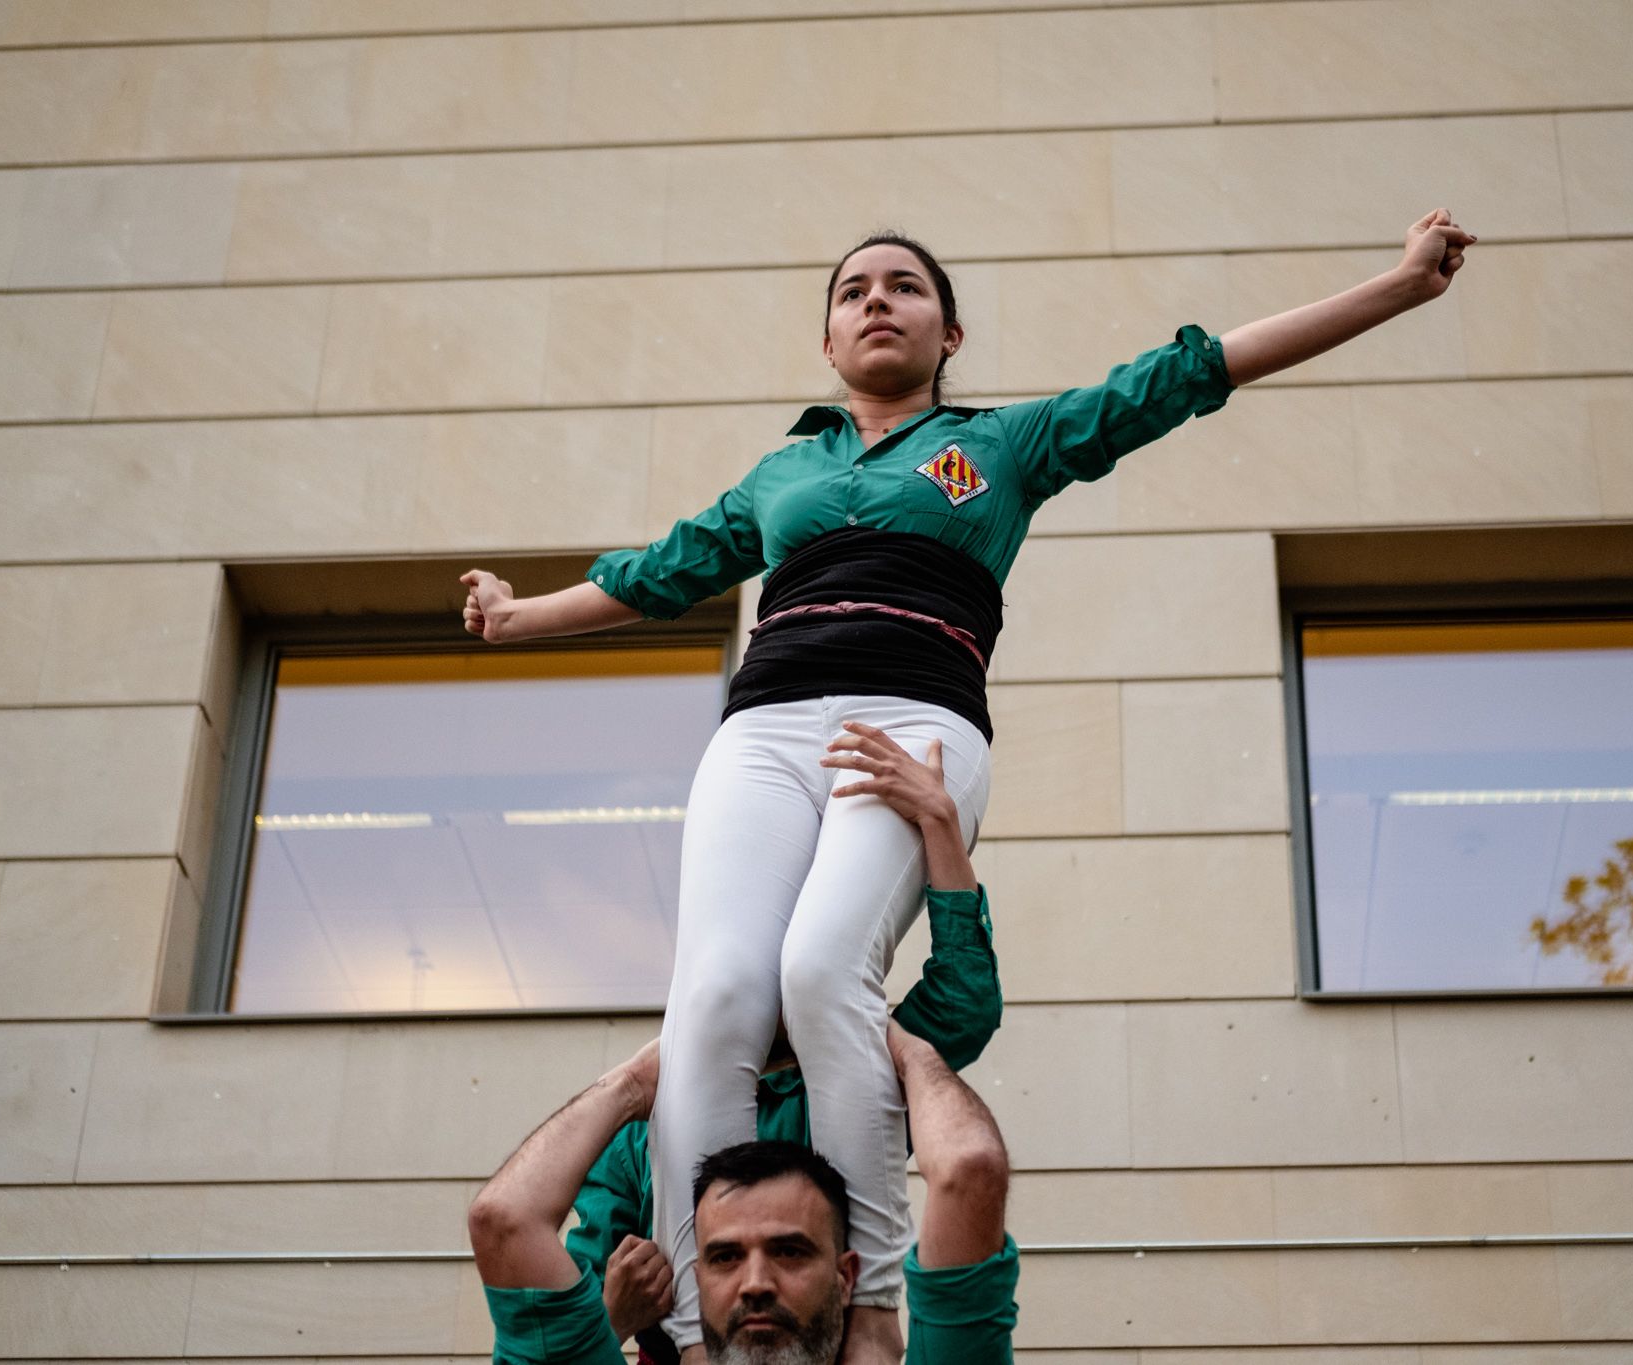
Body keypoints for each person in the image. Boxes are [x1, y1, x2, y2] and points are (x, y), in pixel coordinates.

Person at [461, 209, 1476, 1356]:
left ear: (950, 332)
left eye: (903, 286)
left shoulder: (1005, 446)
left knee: (816, 969)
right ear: (829, 344)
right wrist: (515, 621)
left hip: (909, 725)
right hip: (762, 732)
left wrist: (1395, 289)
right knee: (713, 996)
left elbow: (1185, 376)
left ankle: (872, 1311)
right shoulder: (780, 471)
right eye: (852, 292)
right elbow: (661, 571)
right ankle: (700, 1337)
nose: (877, 300)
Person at [474, 734, 1004, 1362]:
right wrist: (615, 1312)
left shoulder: (849, 1075)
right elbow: (537, 1256)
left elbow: (963, 1005)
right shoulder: (643, 1135)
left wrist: (940, 824)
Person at [471, 1022, 1016, 1365]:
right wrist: (638, 1081)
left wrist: (878, 1034)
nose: (756, 1283)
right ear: (692, 1277)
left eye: (789, 1251)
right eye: (725, 1256)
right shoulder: (633, 1153)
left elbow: (971, 1172)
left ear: (847, 1275)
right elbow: (502, 1221)